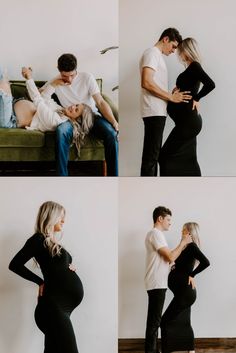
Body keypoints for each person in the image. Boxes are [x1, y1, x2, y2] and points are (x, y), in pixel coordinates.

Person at [9, 201, 84, 353]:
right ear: (51, 217)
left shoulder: (52, 243)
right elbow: (14, 265)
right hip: (53, 307)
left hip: (62, 309)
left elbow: (57, 267)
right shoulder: (38, 239)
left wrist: (69, 267)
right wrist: (40, 281)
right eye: (60, 217)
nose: (63, 221)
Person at [40, 53, 119, 176]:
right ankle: (62, 179)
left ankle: (113, 178)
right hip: (70, 120)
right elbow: (39, 95)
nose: (69, 80)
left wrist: (114, 122)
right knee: (61, 132)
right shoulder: (56, 80)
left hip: (91, 117)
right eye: (65, 76)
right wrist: (54, 84)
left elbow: (100, 101)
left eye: (72, 75)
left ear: (76, 69)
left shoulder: (87, 77)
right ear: (59, 70)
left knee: (111, 133)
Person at [159, 38, 215, 176]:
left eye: (180, 50)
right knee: (189, 159)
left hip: (188, 123)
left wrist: (197, 98)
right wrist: (175, 92)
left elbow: (210, 84)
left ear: (186, 51)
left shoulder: (195, 66)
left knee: (164, 156)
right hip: (186, 123)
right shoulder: (190, 68)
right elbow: (186, 90)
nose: (178, 53)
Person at [140, 28, 192, 176]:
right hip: (153, 111)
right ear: (165, 39)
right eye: (174, 46)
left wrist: (171, 93)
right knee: (151, 158)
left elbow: (152, 83)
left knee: (153, 156)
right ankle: (148, 190)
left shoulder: (156, 56)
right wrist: (171, 97)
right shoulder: (152, 53)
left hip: (157, 111)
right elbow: (146, 82)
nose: (174, 51)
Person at [144, 206, 192, 353]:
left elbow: (168, 260)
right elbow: (170, 256)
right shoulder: (155, 233)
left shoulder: (157, 235)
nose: (170, 223)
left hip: (157, 282)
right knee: (154, 323)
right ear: (160, 218)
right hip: (156, 283)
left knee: (154, 322)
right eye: (168, 219)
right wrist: (183, 242)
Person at [161, 222, 210, 353]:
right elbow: (180, 265)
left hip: (185, 294)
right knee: (184, 321)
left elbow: (206, 262)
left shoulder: (192, 247)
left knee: (164, 321)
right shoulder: (185, 248)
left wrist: (192, 275)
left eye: (183, 231)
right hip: (182, 293)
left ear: (189, 233)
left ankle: (166, 350)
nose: (181, 233)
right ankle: (190, 349)